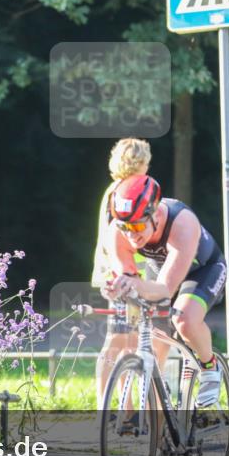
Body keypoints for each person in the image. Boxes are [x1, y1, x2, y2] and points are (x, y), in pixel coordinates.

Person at [102, 174, 227, 407]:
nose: (131, 234)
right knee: (155, 339)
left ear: (156, 214)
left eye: (138, 225)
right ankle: (160, 417)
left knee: (184, 320)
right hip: (160, 271)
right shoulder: (117, 231)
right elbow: (129, 278)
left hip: (203, 270)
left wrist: (135, 285)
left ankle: (210, 367)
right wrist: (120, 287)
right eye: (124, 227)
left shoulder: (183, 223)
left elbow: (164, 291)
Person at [92, 139, 169, 408]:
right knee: (121, 341)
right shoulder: (129, 193)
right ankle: (113, 406)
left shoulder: (115, 190)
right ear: (142, 162)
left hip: (120, 274)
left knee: (124, 343)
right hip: (127, 276)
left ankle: (123, 409)